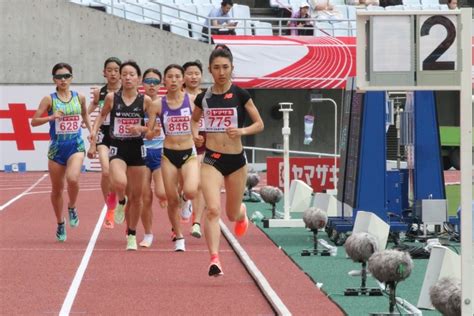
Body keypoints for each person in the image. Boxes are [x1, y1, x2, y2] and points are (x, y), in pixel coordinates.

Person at [192, 45, 264, 276]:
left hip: (236, 161)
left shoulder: (241, 94)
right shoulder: (204, 98)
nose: (221, 72)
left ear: (232, 68)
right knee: (212, 210)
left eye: (225, 67)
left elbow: (259, 124)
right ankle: (214, 259)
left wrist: (241, 132)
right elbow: (194, 121)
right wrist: (195, 133)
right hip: (212, 158)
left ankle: (241, 213)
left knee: (231, 214)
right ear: (210, 71)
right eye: (216, 68)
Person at [89, 60, 153, 251]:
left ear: (138, 78)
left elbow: (152, 130)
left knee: (138, 197)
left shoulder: (146, 101)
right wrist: (94, 132)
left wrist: (140, 128)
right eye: (124, 74)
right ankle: (120, 201)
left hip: (137, 149)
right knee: (119, 182)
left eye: (131, 74)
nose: (127, 77)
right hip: (117, 147)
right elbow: (101, 115)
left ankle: (132, 234)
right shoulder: (111, 97)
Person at [31, 63, 92, 242]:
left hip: (76, 145)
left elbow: (85, 115)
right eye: (59, 77)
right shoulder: (49, 100)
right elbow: (34, 121)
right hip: (57, 149)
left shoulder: (79, 97)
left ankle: (72, 207)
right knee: (57, 190)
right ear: (54, 80)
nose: (63, 80)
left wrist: (92, 133)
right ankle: (60, 223)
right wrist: (51, 117)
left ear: (71, 78)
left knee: (73, 178)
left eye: (66, 76)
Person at [149, 64, 200, 252]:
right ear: (164, 80)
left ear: (183, 80)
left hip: (188, 152)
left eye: (177, 76)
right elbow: (150, 130)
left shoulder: (193, 100)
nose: (173, 80)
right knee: (171, 199)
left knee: (191, 190)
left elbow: (195, 122)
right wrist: (148, 132)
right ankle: (179, 236)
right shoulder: (157, 105)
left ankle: (186, 200)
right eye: (169, 77)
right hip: (168, 154)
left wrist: (196, 134)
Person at [87, 57, 122, 229]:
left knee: (120, 176)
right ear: (104, 72)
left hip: (120, 134)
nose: (113, 73)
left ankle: (117, 198)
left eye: (116, 70)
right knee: (106, 171)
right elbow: (92, 109)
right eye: (110, 70)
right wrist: (86, 123)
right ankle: (109, 207)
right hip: (103, 134)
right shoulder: (99, 93)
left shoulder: (126, 91)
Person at [139, 68, 167, 248]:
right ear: (142, 83)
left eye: (155, 82)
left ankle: (179, 198)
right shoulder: (137, 104)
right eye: (148, 81)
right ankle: (148, 234)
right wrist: (145, 131)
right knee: (145, 197)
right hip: (140, 153)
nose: (151, 84)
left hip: (161, 152)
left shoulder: (166, 104)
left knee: (162, 192)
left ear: (161, 85)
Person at [183, 60, 205, 239]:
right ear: (184, 76)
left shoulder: (208, 96)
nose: (193, 77)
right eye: (189, 73)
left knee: (200, 184)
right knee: (184, 187)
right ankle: (184, 201)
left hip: (204, 143)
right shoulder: (177, 96)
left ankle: (196, 222)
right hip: (181, 144)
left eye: (197, 73)